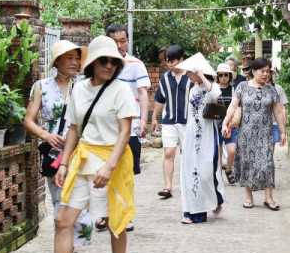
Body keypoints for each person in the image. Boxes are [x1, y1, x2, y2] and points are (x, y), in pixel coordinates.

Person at [29, 36, 138, 253]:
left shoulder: (121, 90)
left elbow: (125, 132)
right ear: (93, 63)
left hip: (111, 161)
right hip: (83, 158)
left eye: (114, 61)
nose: (109, 65)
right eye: (104, 60)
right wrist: (64, 163)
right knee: (63, 220)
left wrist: (110, 166)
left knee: (115, 222)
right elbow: (74, 130)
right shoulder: (79, 90)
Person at [23, 40, 94, 253]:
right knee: (60, 203)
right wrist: (45, 135)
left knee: (80, 205)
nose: (75, 62)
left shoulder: (85, 84)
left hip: (81, 153)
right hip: (55, 156)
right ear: (57, 62)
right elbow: (28, 120)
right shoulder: (41, 86)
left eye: (77, 58)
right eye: (69, 58)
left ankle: (70, 245)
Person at [95, 24, 151, 232]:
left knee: (126, 173)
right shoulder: (99, 65)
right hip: (104, 128)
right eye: (114, 41)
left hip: (130, 127)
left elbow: (143, 93)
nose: (119, 45)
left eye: (123, 41)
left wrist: (143, 120)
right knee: (102, 169)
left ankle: (125, 215)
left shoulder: (135, 64)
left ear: (128, 41)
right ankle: (104, 214)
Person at [222, 57, 286, 211]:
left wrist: (283, 131)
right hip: (246, 134)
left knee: (267, 164)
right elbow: (232, 106)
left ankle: (268, 198)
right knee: (247, 164)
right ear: (253, 71)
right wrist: (226, 122)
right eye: (261, 71)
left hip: (265, 134)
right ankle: (248, 198)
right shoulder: (243, 87)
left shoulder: (271, 89)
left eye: (267, 72)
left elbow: (278, 111)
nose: (265, 74)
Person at [177, 53, 226, 224]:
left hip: (207, 134)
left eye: (189, 72)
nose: (187, 75)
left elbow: (217, 93)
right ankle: (192, 212)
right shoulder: (192, 90)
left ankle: (216, 199)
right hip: (192, 134)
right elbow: (190, 115)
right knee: (190, 172)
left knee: (206, 172)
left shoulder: (209, 87)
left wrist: (203, 77)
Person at [151, 45, 191, 199]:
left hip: (187, 122)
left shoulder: (191, 76)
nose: (169, 65)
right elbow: (159, 99)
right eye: (168, 62)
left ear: (181, 59)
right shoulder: (165, 78)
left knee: (186, 154)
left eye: (172, 61)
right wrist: (154, 117)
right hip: (169, 121)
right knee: (169, 152)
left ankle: (186, 185)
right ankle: (168, 186)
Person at [215, 63, 238, 185]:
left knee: (232, 151)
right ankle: (218, 176)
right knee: (218, 152)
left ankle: (228, 170)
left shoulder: (234, 90)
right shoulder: (213, 89)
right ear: (217, 76)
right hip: (216, 124)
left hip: (230, 124)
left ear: (230, 76)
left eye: (226, 75)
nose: (223, 77)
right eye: (221, 75)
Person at [270, 67, 288, 152]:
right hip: (259, 124)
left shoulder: (278, 88)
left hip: (274, 123)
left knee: (271, 147)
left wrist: (283, 128)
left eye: (268, 72)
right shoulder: (254, 87)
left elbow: (282, 108)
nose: (265, 74)